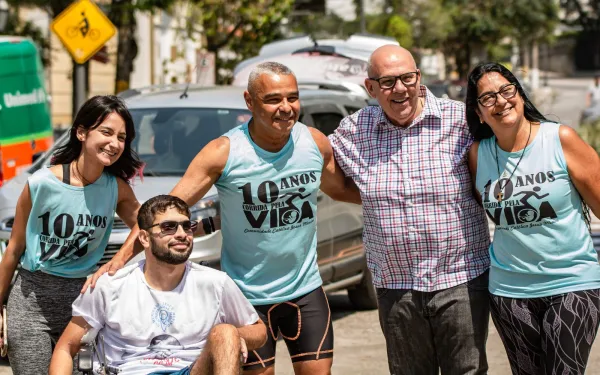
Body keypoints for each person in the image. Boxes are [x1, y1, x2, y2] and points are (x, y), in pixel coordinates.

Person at [84, 62, 361, 375]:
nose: (285, 108)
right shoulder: (224, 153)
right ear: (250, 101)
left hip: (306, 291)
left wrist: (399, 201)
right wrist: (118, 262)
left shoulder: (313, 143)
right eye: (273, 99)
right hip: (245, 297)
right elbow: (161, 212)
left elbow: (342, 190)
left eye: (292, 98)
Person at [328, 44, 491, 375]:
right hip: (395, 284)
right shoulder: (354, 132)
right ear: (370, 88)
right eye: (387, 82)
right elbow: (324, 169)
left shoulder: (460, 120)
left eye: (407, 78)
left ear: (419, 78)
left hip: (461, 278)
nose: (400, 89)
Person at [465, 62, 600, 375]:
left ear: (520, 95)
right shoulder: (478, 155)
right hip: (510, 291)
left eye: (506, 91)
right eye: (487, 98)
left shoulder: (560, 139)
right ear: (478, 112)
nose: (500, 101)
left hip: (571, 282)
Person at [0, 95, 144, 374]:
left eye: (122, 137)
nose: (114, 143)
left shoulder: (117, 189)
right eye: (106, 132)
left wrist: (116, 263)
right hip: (31, 303)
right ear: (81, 132)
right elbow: (14, 249)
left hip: (84, 305)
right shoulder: (41, 183)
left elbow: (147, 226)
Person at [49, 195, 266, 375]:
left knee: (226, 332)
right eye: (169, 227)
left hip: (191, 370)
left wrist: (237, 337)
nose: (182, 234)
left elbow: (258, 329)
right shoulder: (111, 286)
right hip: (129, 370)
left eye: (186, 226)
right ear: (144, 238)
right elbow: (67, 347)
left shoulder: (215, 283)